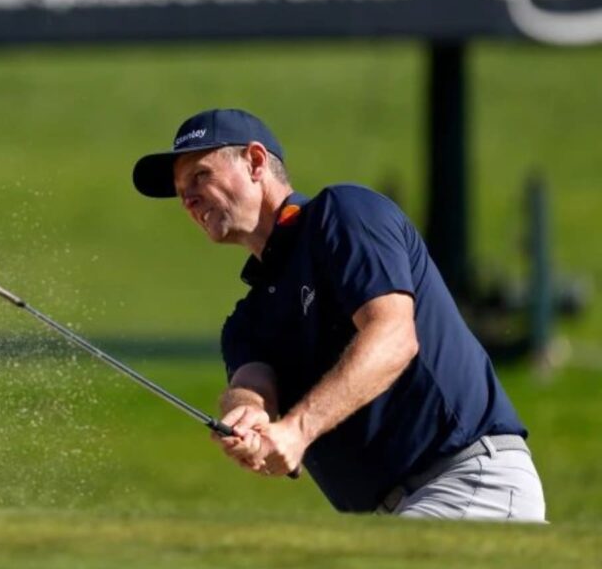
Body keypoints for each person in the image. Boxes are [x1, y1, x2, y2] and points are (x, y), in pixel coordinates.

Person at [130, 108, 546, 521]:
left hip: (466, 481)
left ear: (256, 162)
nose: (188, 198)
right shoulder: (248, 319)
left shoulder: (343, 215)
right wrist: (248, 414)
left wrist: (296, 430)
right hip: (402, 511)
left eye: (201, 175)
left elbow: (394, 336)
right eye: (181, 189)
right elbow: (251, 383)